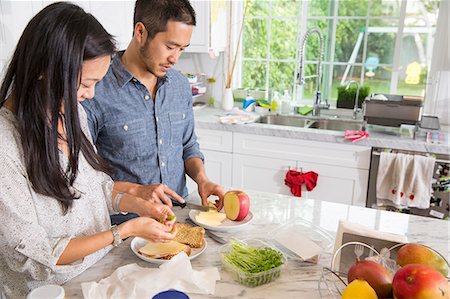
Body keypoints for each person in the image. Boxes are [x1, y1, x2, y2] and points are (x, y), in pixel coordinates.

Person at [0, 3, 177, 298]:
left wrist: (137, 203)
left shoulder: (70, 113)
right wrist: (124, 231)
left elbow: (92, 191)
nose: (90, 95)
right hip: (51, 291)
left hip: (99, 276)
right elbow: (30, 256)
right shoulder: (6, 144)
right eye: (84, 83)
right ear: (46, 70)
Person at [81, 0, 225, 225]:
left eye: (182, 49)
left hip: (178, 218)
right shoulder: (94, 88)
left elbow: (188, 146)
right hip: (125, 227)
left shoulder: (179, 85)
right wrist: (135, 192)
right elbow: (83, 174)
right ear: (140, 32)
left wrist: (202, 179)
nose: (175, 59)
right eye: (170, 46)